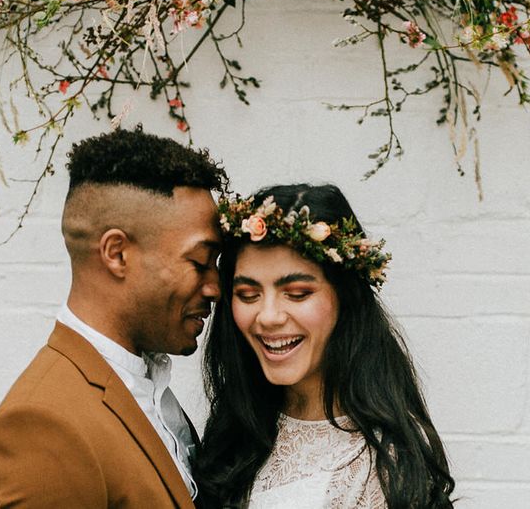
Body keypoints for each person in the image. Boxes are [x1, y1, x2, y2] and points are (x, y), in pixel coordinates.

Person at [0, 126, 227, 508]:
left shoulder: (147, 387)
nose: (215, 288)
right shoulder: (42, 430)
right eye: (200, 261)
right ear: (117, 254)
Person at [195, 183, 455, 508]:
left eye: (298, 293)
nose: (269, 316)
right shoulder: (236, 429)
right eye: (248, 295)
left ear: (344, 298)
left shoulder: (384, 465)